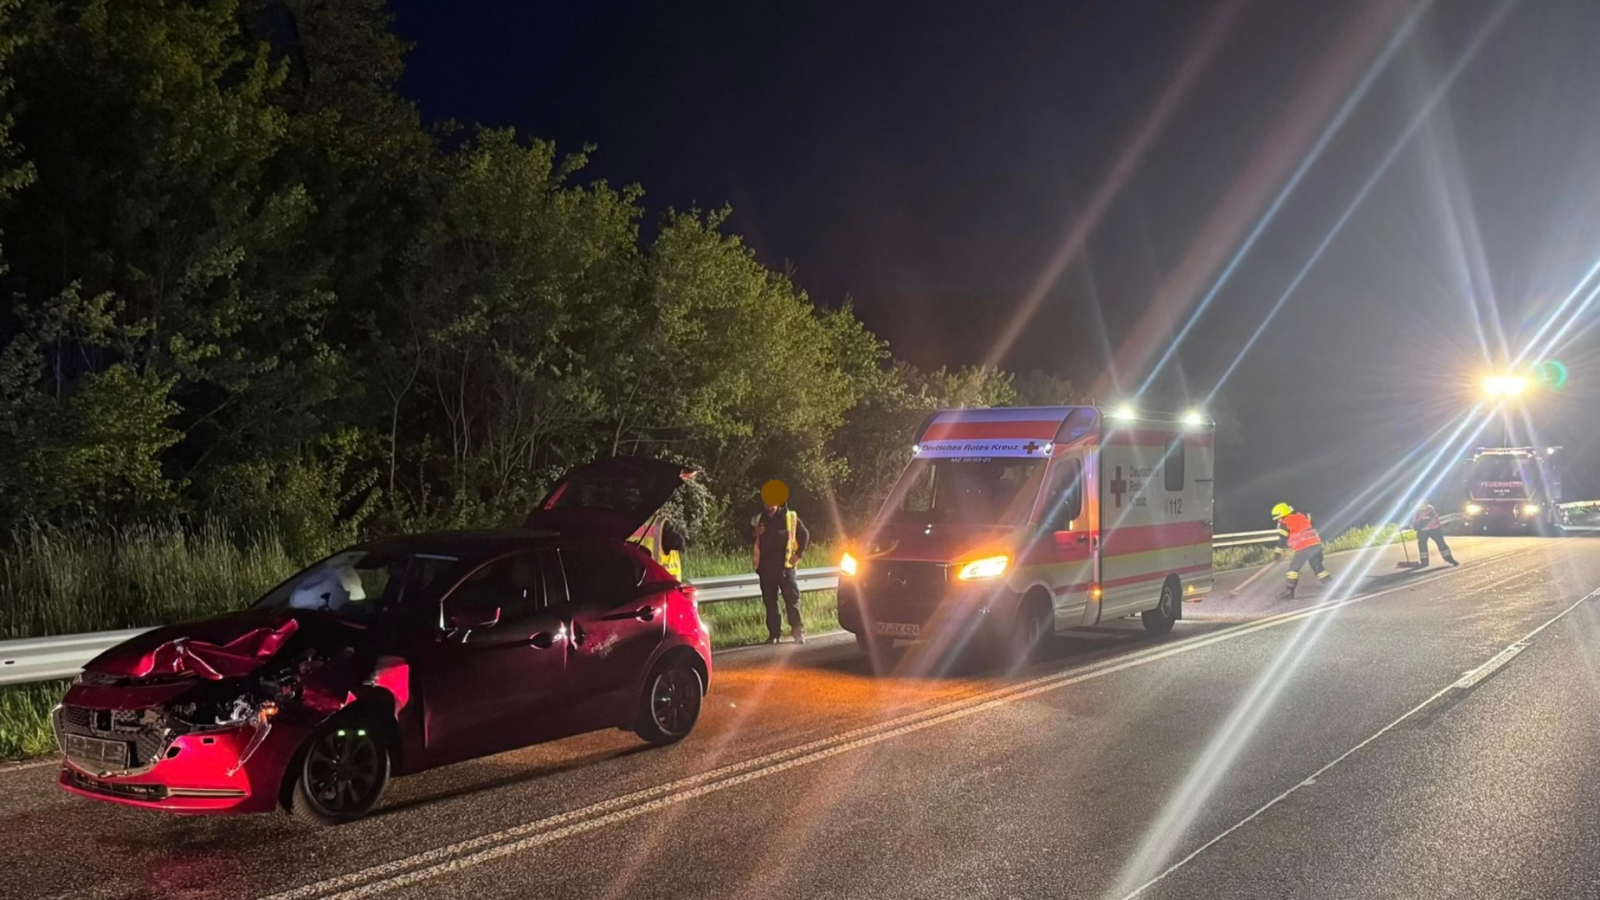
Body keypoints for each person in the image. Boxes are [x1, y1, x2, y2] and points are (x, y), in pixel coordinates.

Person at [752, 480, 810, 644]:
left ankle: (798, 632)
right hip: (765, 569)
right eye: (766, 502)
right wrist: (753, 532)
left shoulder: (790, 517)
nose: (769, 506)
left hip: (786, 569)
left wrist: (799, 554)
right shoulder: (758, 519)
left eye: (773, 502)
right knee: (771, 604)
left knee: (792, 602)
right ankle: (774, 634)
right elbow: (744, 536)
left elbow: (804, 535)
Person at [1272, 502, 1330, 600]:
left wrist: (1277, 552)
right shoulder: (1300, 516)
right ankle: (1332, 587)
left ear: (1283, 515)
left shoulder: (1285, 522)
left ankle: (1289, 592)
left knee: (1292, 570)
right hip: (1315, 545)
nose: (1278, 519)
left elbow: (1282, 539)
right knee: (1319, 569)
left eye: (1279, 517)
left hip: (1304, 547)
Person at [1411, 500, 1458, 567]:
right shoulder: (1416, 511)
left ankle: (1449, 559)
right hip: (1423, 531)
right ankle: (1424, 562)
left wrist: (1421, 524)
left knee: (1441, 544)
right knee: (1422, 546)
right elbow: (1415, 520)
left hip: (1434, 529)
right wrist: (1415, 525)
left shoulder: (1430, 509)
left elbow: (1432, 518)